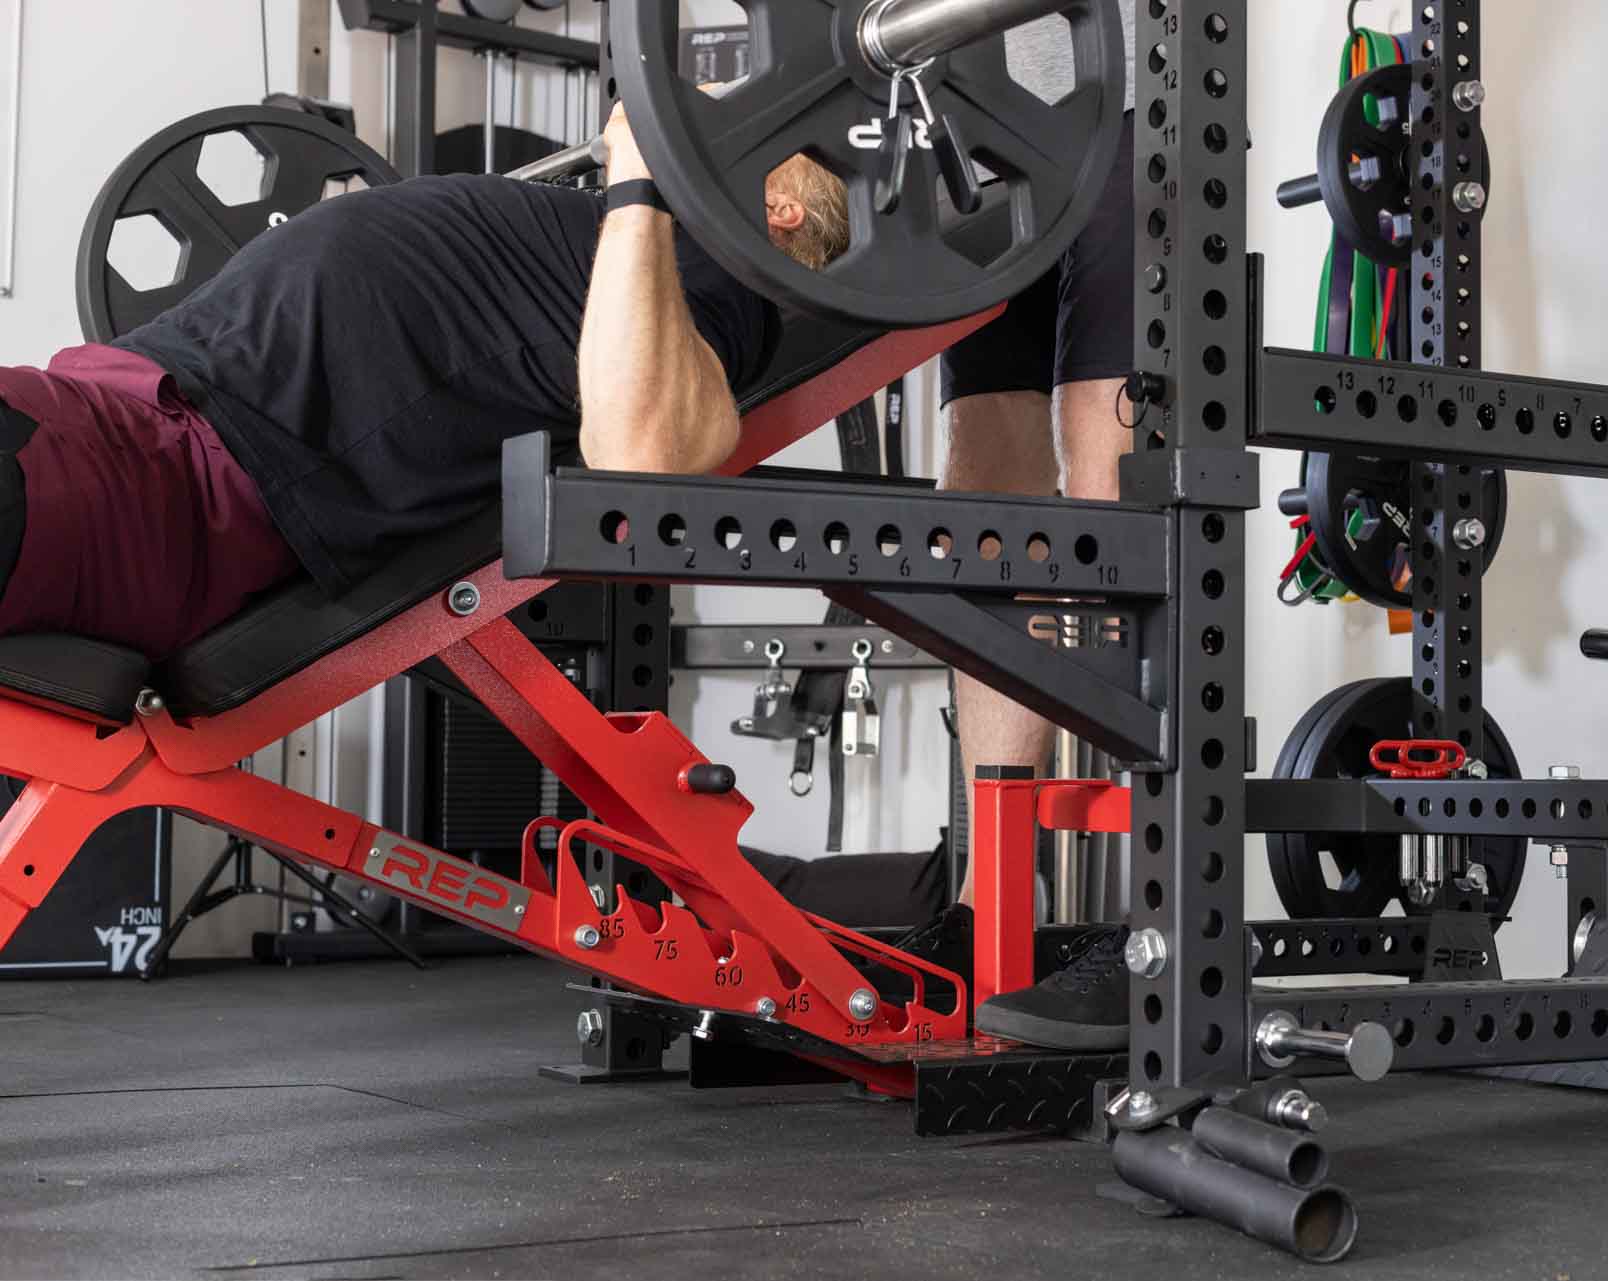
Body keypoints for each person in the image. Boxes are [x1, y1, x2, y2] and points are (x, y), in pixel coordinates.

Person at [0, 104, 846, 660]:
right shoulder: (625, 245)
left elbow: (647, 456)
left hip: (166, 479)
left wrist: (640, 179)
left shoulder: (718, 288)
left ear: (781, 213)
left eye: (745, 137)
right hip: (115, 415)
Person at [880, 14, 1142, 1054]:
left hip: (1129, 105)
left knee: (1110, 451)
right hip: (967, 121)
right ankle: (999, 907)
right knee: (983, 466)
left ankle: (1157, 912)